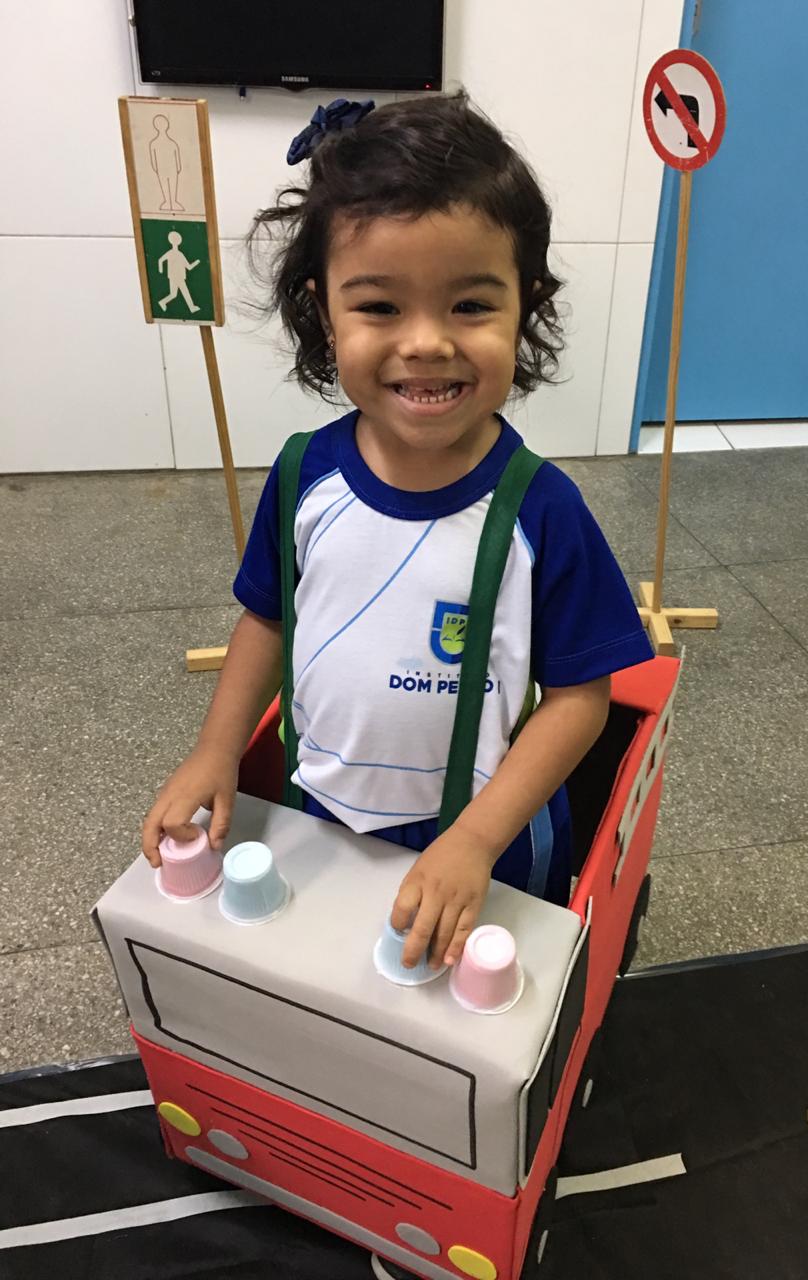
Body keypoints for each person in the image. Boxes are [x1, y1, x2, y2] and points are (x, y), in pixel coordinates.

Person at [142, 91, 653, 976]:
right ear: (324, 311)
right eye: (379, 307)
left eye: (470, 305)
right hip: (320, 811)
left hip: (485, 835)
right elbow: (267, 619)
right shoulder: (303, 476)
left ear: (525, 306)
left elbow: (581, 698)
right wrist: (215, 751)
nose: (425, 343)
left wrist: (477, 840)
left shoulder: (542, 510)